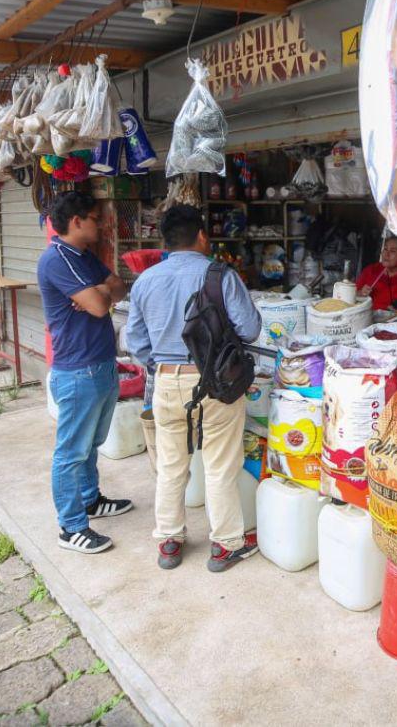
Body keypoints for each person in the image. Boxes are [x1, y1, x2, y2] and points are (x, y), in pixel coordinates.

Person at [125, 205, 262, 573]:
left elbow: (134, 340)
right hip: (216, 382)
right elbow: (250, 330)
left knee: (170, 466)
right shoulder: (220, 275)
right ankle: (225, 546)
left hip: (167, 381)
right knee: (219, 466)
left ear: (165, 242)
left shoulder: (145, 280)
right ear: (202, 237)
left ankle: (169, 541)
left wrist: (161, 367)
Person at [37, 191, 132, 555]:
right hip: (77, 371)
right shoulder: (57, 260)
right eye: (95, 218)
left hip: (100, 363)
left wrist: (100, 291)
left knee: (91, 444)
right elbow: (97, 306)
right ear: (76, 221)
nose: (102, 223)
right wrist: (97, 293)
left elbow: (117, 289)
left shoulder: (83, 257)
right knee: (71, 452)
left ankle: (91, 500)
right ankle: (71, 526)